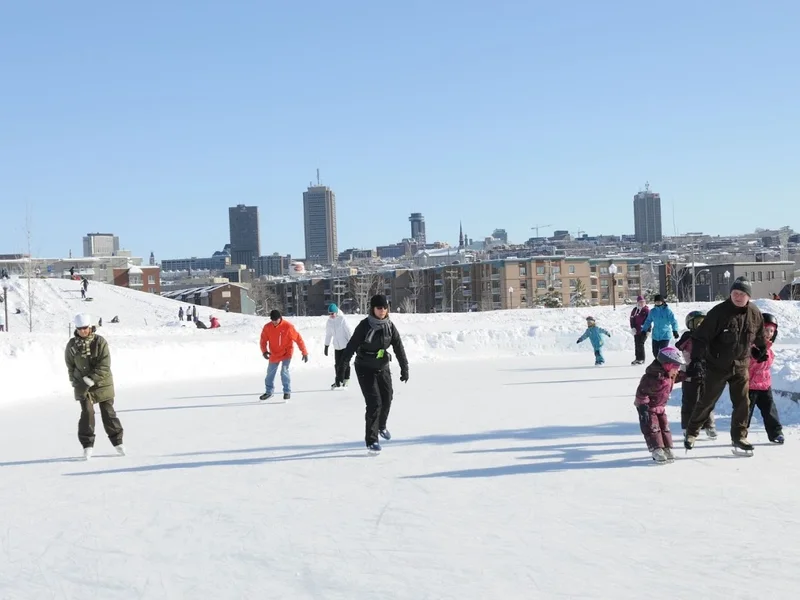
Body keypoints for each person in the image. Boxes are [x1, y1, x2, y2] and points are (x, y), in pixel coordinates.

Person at [684, 277, 769, 455]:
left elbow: (760, 333)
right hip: (717, 365)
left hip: (741, 365)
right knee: (707, 400)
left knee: (742, 403)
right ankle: (692, 432)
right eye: (734, 293)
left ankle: (739, 437)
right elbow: (700, 337)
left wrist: (760, 349)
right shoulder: (719, 312)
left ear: (748, 296)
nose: (737, 297)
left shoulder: (754, 313)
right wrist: (697, 359)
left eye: (741, 294)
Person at [338, 294, 409, 454]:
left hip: (382, 366)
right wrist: (342, 369)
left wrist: (405, 367)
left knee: (388, 397)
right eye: (379, 308)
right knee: (374, 403)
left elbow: (398, 347)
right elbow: (351, 347)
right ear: (373, 309)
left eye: (385, 308)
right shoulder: (365, 326)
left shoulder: (389, 326)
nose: (382, 311)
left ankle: (381, 426)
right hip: (364, 367)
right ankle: (371, 440)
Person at [64, 313, 125, 460]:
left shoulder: (100, 342)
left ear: (90, 327)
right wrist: (74, 380)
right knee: (87, 413)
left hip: (103, 383)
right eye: (80, 328)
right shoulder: (72, 345)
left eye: (85, 328)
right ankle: (87, 446)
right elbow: (70, 365)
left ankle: (118, 442)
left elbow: (104, 365)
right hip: (82, 385)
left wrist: (91, 378)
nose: (83, 331)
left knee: (108, 412)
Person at [634, 346, 686, 463]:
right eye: (675, 367)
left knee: (664, 427)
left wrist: (690, 374)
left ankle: (667, 448)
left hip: (660, 407)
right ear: (667, 365)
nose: (677, 370)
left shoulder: (669, 375)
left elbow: (677, 377)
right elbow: (641, 393)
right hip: (647, 408)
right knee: (653, 428)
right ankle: (656, 449)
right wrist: (642, 408)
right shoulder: (651, 378)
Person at [675, 310, 716, 439]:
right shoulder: (688, 337)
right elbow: (679, 347)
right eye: (697, 323)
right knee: (689, 401)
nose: (701, 326)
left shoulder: (709, 337)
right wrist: (689, 337)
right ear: (691, 324)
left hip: (706, 374)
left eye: (703, 323)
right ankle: (687, 427)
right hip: (689, 373)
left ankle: (709, 425)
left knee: (706, 401)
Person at [747, 312, 784, 444]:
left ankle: (776, 433)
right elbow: (747, 365)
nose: (768, 333)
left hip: (764, 385)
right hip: (749, 386)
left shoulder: (769, 350)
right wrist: (754, 357)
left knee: (770, 410)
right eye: (765, 330)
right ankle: (740, 434)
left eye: (771, 331)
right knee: (745, 413)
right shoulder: (751, 346)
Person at [259, 309, 308, 401]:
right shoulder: (267, 327)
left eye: (276, 320)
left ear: (280, 318)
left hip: (286, 353)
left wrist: (304, 352)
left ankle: (287, 391)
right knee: (270, 373)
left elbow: (298, 339)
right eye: (272, 320)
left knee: (284, 371)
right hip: (274, 353)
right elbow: (263, 340)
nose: (274, 322)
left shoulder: (288, 327)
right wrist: (264, 351)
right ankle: (269, 392)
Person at [324, 303, 352, 389]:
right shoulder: (329, 322)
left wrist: (352, 344)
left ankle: (344, 380)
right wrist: (326, 346)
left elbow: (349, 332)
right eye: (329, 313)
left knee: (344, 364)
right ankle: (339, 380)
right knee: (337, 365)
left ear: (336, 312)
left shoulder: (342, 320)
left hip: (345, 345)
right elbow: (328, 334)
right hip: (337, 346)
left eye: (332, 313)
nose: (331, 315)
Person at [629, 295, 650, 365]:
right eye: (640, 302)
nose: (641, 303)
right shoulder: (635, 310)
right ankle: (637, 358)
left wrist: (648, 330)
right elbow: (632, 319)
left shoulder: (646, 310)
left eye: (642, 302)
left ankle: (642, 359)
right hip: (637, 330)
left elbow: (649, 320)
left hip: (644, 330)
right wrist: (633, 327)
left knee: (641, 344)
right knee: (637, 344)